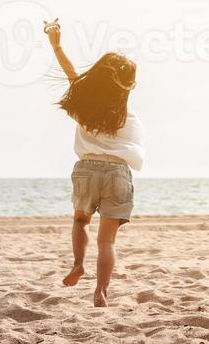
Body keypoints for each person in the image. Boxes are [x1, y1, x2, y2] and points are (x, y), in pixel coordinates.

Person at [44, 19, 143, 307]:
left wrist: (56, 44)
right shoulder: (128, 118)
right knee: (107, 242)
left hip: (87, 169)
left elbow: (72, 75)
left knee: (80, 220)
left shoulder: (85, 108)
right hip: (117, 172)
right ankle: (101, 291)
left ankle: (77, 264)